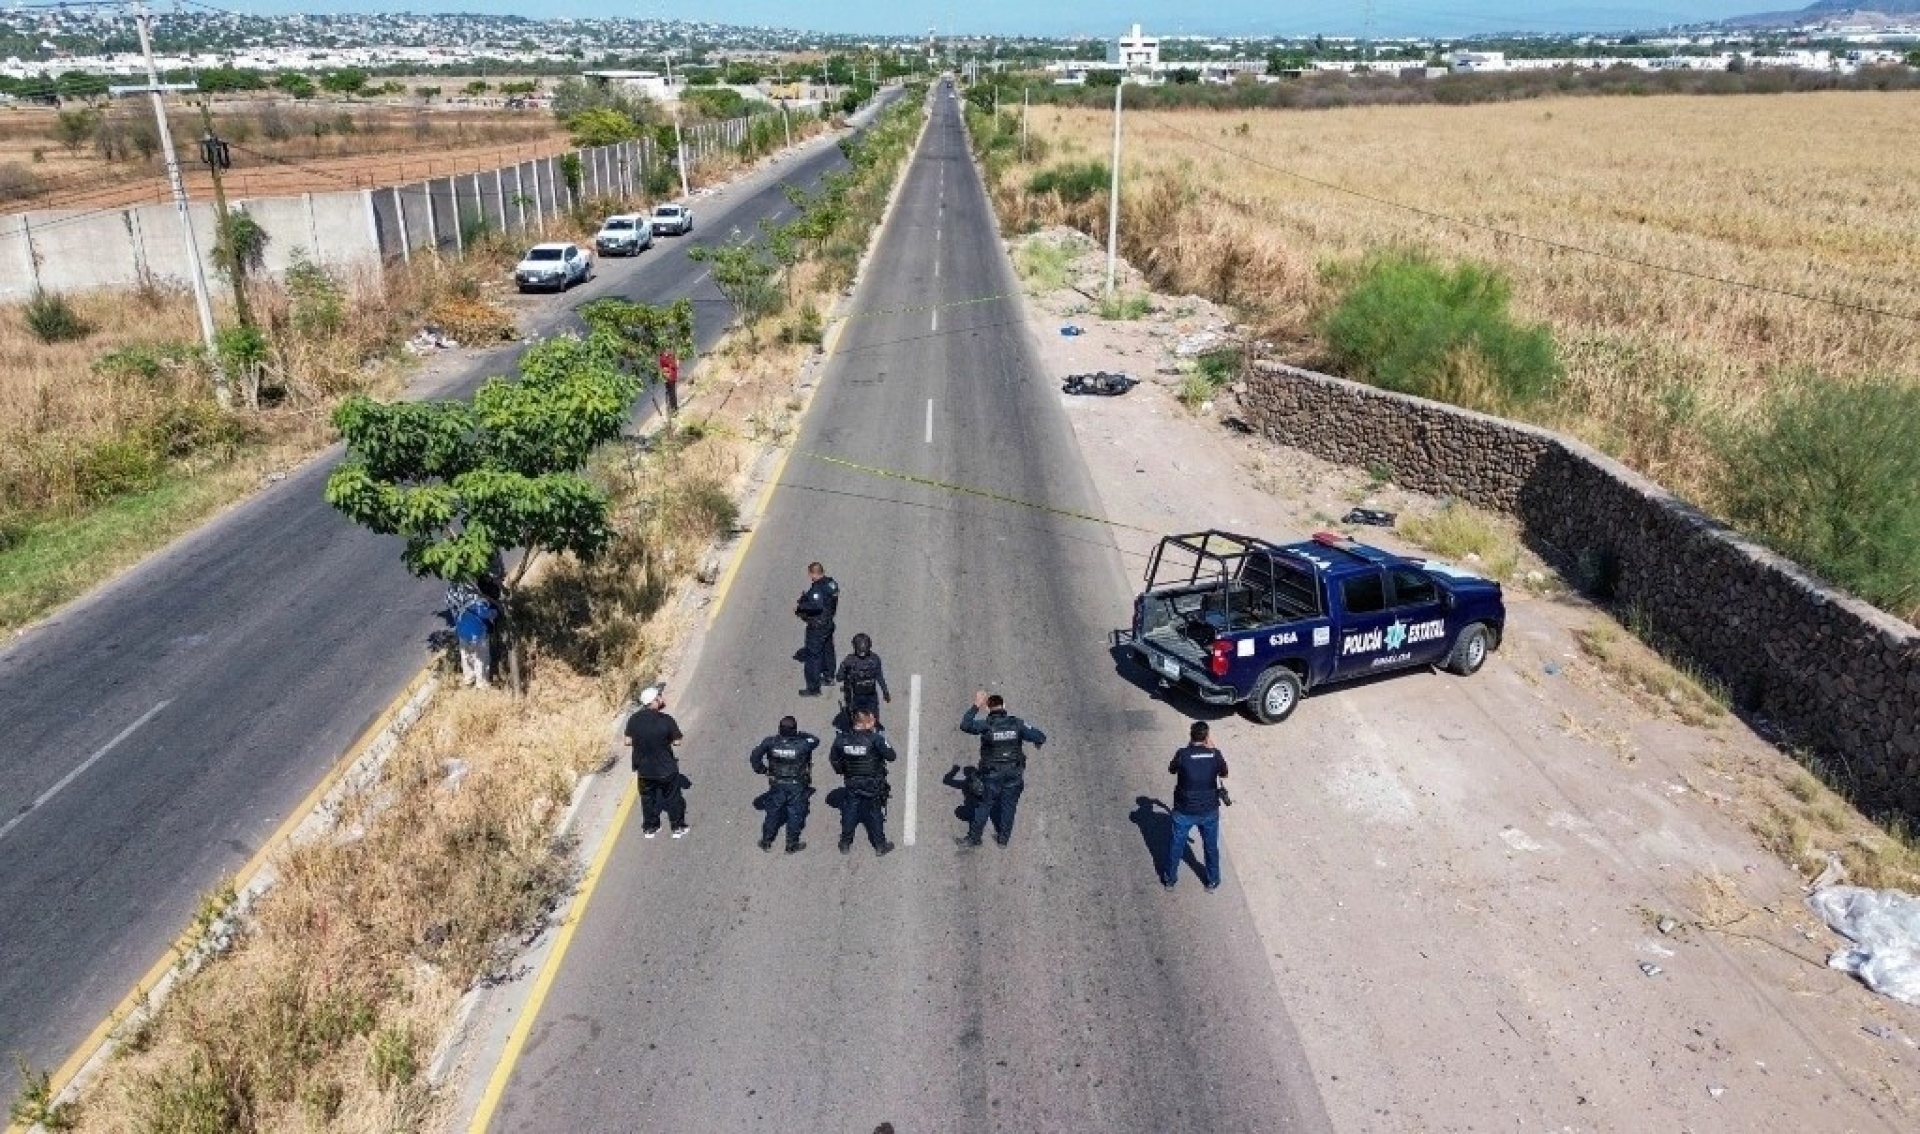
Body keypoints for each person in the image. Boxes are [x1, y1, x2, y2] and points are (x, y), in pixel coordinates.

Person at [956, 690, 1047, 848]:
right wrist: (1037, 742)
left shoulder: (986, 725)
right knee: (1009, 806)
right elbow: (1040, 736)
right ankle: (1003, 840)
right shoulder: (1017, 723)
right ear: (1004, 706)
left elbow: (965, 725)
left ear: (988, 708)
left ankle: (974, 839)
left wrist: (976, 704)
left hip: (991, 775)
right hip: (1014, 773)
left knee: (984, 805)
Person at [1164, 721, 1228, 891]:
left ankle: (1170, 880)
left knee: (1176, 845)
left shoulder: (1182, 754)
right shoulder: (1215, 754)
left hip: (1184, 809)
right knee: (1211, 847)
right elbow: (1224, 773)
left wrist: (1189, 749)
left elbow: (1172, 769)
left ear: (1191, 735)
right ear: (1207, 737)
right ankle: (1212, 881)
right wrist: (1213, 748)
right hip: (1209, 809)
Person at [829, 708, 896, 856]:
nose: (874, 721)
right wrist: (882, 738)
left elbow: (834, 759)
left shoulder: (841, 739)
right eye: (871, 720)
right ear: (865, 723)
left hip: (852, 782)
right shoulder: (875, 739)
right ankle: (880, 846)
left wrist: (843, 771)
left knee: (850, 810)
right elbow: (891, 756)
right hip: (872, 783)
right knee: (875, 813)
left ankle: (845, 843)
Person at [625, 685, 689, 839]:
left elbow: (627, 741)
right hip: (666, 769)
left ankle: (650, 828)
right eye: (659, 697)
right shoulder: (666, 720)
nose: (661, 699)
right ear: (654, 701)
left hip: (644, 770)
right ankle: (677, 827)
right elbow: (677, 741)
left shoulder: (633, 720)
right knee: (673, 798)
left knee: (647, 799)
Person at [749, 715, 820, 854]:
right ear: (794, 730)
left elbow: (754, 757)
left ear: (779, 729)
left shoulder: (770, 742)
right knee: (795, 813)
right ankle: (791, 844)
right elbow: (815, 740)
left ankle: (766, 841)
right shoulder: (803, 744)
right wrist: (800, 734)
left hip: (777, 783)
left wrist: (762, 770)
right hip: (797, 784)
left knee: (773, 812)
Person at [794, 562, 840, 697]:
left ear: (812, 574)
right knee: (828, 649)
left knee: (813, 656)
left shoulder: (817, 589)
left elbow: (816, 606)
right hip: (828, 623)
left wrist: (800, 608)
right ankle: (829, 676)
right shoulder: (831, 583)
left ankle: (813, 688)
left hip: (817, 627)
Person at [446, 582, 498, 688]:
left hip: (462, 629)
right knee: (481, 657)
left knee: (466, 655)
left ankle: (469, 678)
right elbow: (482, 612)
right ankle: (481, 683)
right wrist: (495, 612)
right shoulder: (471, 589)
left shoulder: (451, 590)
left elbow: (450, 607)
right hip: (477, 630)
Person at [836, 633, 891, 729]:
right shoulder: (850, 661)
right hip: (855, 696)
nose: (862, 654)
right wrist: (845, 669)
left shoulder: (873, 659)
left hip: (870, 695)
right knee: (856, 720)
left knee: (872, 718)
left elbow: (879, 676)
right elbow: (839, 677)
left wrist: (885, 691)